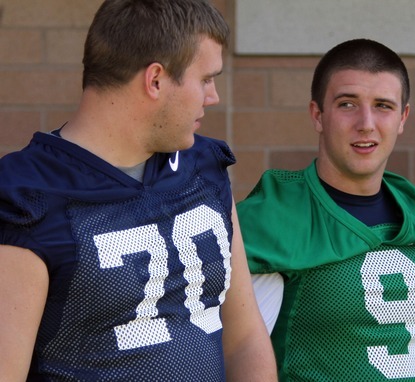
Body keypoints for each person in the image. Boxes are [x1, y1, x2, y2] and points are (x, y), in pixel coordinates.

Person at [0, 0, 277, 380]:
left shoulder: (204, 167)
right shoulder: (29, 195)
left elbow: (244, 336)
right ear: (156, 80)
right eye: (206, 79)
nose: (212, 97)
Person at [237, 38, 415, 381]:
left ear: (403, 117)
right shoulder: (269, 220)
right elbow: (232, 355)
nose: (366, 123)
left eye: (383, 105)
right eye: (347, 104)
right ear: (318, 115)